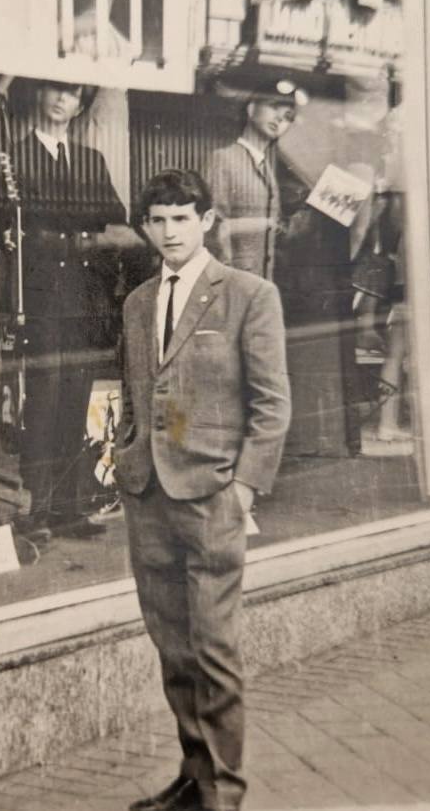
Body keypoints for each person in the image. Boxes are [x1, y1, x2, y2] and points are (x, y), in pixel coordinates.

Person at [114, 169, 291, 811]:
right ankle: (196, 777)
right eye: (157, 220)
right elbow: (146, 391)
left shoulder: (248, 294)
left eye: (182, 218)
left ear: (208, 221)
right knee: (174, 650)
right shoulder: (137, 302)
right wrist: (129, 454)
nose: (169, 232)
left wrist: (244, 490)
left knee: (213, 652)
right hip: (150, 497)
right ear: (145, 227)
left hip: (213, 495)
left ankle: (224, 794)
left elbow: (272, 405)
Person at [0, 78, 134, 539]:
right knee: (44, 399)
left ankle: (69, 508)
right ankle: (34, 510)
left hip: (83, 298)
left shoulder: (92, 161)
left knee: (75, 399)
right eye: (53, 89)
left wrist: (80, 244)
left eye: (72, 93)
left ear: (80, 105)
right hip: (39, 299)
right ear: (37, 96)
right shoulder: (12, 156)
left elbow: (115, 222)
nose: (61, 99)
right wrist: (68, 240)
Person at [203, 77, 307, 279]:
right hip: (234, 282)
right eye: (273, 107)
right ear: (251, 109)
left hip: (261, 282)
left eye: (288, 116)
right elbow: (213, 230)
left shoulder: (267, 168)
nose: (279, 119)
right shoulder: (223, 158)